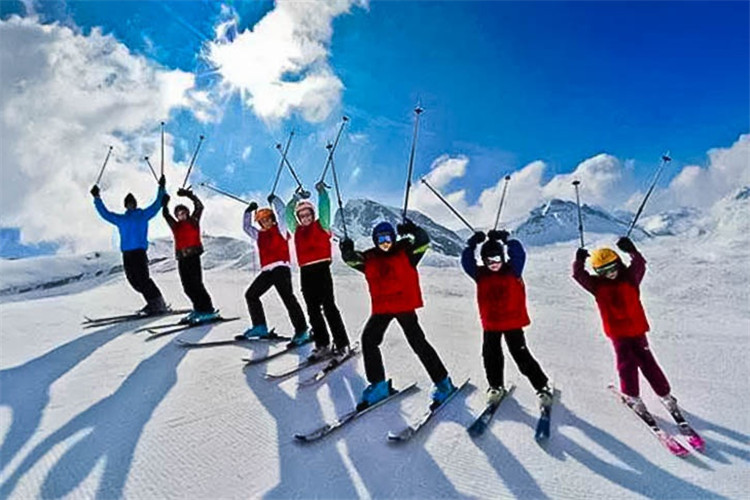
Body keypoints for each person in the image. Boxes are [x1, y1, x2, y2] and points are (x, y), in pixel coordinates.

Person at [340, 219, 455, 411]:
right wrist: (346, 250)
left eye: (387, 238)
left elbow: (423, 241)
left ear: (393, 238)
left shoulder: (407, 252)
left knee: (418, 342)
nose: (384, 243)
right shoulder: (370, 258)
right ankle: (378, 385)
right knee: (369, 339)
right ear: (375, 241)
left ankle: (443, 383)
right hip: (383, 308)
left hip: (404, 306)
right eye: (380, 239)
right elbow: (351, 260)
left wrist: (413, 229)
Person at [572, 236, 679, 414]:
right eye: (604, 271)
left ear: (618, 263)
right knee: (626, 364)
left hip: (637, 330)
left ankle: (665, 395)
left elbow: (640, 264)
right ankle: (633, 397)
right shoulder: (597, 285)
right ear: (598, 272)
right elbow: (579, 276)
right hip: (618, 333)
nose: (610, 273)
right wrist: (579, 261)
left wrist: (632, 250)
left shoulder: (630, 278)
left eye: (612, 268)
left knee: (648, 362)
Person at [462, 230, 553, 407]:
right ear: (483, 261)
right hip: (491, 324)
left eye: (497, 259)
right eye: (489, 261)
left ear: (503, 257)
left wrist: (507, 239)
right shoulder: (480, 274)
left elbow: (519, 253)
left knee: (521, 356)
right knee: (491, 356)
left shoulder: (513, 269)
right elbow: (466, 262)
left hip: (513, 323)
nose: (494, 264)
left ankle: (542, 386)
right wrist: (471, 245)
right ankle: (495, 387)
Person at [286, 182, 350, 361]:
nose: (305, 217)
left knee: (329, 307)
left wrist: (321, 192)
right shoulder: (296, 230)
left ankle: (342, 343)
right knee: (312, 310)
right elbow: (287, 215)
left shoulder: (322, 225)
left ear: (312, 215)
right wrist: (295, 200)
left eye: (308, 214)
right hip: (306, 272)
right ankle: (322, 343)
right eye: (301, 215)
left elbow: (325, 209)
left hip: (322, 269)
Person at [90, 176, 168, 314]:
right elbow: (105, 214)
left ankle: (158, 304)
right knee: (133, 281)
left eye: (132, 202)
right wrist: (97, 198)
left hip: (139, 252)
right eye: (128, 203)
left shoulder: (143, 215)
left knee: (143, 279)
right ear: (125, 205)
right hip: (127, 254)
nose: (130, 204)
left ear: (135, 204)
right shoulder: (121, 219)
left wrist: (161, 188)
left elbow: (157, 204)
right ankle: (152, 302)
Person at [240, 195, 309, 345]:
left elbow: (283, 213)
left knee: (287, 298)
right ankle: (259, 326)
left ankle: (302, 330)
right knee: (251, 295)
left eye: (267, 219)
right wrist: (248, 212)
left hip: (280, 269)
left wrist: (274, 200)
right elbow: (246, 227)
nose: (265, 222)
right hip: (266, 271)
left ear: (272, 219)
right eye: (261, 220)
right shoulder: (258, 235)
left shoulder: (281, 229)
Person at [161, 188, 218, 324]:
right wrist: (165, 205)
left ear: (187, 213)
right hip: (182, 258)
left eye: (183, 212)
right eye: (178, 214)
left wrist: (189, 195)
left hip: (193, 257)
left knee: (197, 284)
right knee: (187, 287)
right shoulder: (176, 226)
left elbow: (199, 206)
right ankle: (198, 308)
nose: (181, 215)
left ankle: (208, 310)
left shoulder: (193, 221)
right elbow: (166, 216)